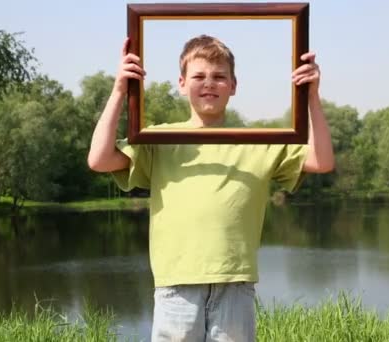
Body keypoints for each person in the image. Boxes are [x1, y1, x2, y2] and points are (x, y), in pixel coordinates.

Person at [87, 34, 334, 341]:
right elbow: (98, 160)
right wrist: (119, 91)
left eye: (219, 77)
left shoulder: (260, 141)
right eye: (199, 76)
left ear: (233, 85)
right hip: (176, 283)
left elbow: (322, 161)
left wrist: (311, 96)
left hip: (235, 281)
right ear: (181, 83)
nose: (209, 83)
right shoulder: (159, 139)